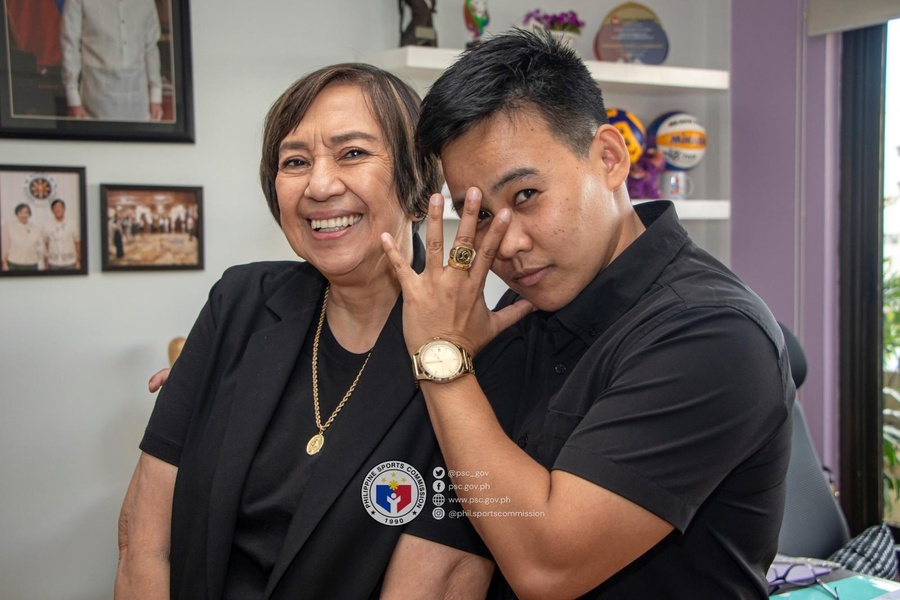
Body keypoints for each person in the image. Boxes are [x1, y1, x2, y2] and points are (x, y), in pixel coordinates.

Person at [381, 30, 794, 598]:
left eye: (525, 195)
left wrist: (442, 359)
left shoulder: (713, 333)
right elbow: (452, 539)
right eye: (478, 216)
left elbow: (548, 566)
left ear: (609, 157)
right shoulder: (520, 309)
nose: (506, 242)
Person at [115, 64, 518, 599]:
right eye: (295, 162)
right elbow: (143, 543)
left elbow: (442, 581)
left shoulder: (469, 357)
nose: (320, 185)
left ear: (419, 182)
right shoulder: (240, 303)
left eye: (352, 153)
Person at [60, 0, 164, 121]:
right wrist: (73, 100)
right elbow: (70, 45)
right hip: (94, 107)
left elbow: (151, 48)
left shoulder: (146, 2)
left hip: (139, 107)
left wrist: (156, 97)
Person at [2, 203, 43, 271]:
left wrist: (38, 256)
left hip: (32, 263)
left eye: (26, 212)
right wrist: (4, 263)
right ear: (17, 214)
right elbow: (4, 246)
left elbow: (41, 246)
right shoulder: (9, 227)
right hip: (14, 263)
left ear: (29, 214)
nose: (23, 215)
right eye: (21, 212)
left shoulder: (35, 228)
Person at [43, 199, 81, 270]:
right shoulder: (47, 225)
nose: (58, 209)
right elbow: (46, 244)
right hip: (53, 263)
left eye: (60, 207)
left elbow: (77, 242)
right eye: (55, 208)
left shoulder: (72, 223)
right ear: (52, 210)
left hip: (70, 262)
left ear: (64, 209)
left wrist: (79, 260)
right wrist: (46, 262)